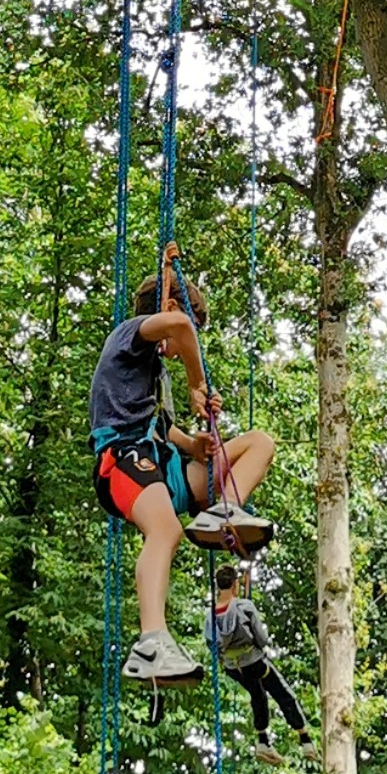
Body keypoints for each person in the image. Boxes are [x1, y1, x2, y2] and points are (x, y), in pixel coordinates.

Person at [90, 242, 276, 687]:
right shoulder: (128, 335)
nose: (177, 352)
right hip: (124, 461)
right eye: (180, 345)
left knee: (259, 444)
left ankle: (225, 510)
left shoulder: (152, 371)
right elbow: (178, 325)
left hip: (162, 465)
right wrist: (196, 381)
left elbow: (162, 429)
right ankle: (150, 642)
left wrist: (196, 445)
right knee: (166, 530)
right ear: (169, 309)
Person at [211, 574, 305, 758]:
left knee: (258, 695)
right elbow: (261, 639)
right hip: (253, 662)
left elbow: (213, 643)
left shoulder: (212, 613)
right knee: (280, 690)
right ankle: (304, 736)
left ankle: (263, 741)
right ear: (234, 585)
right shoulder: (245, 606)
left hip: (232, 667)